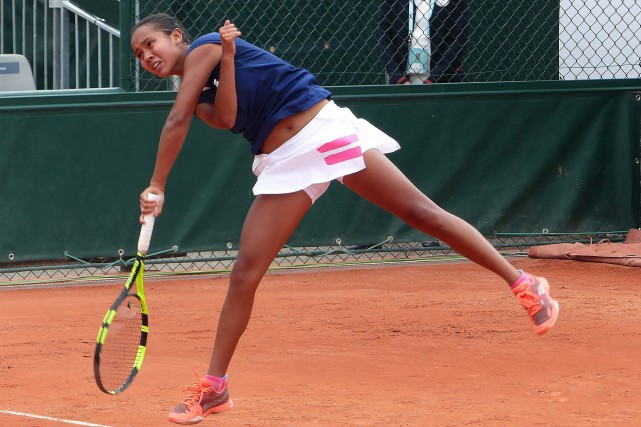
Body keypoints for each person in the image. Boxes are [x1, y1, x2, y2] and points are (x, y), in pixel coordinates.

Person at [131, 13, 559, 425]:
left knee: (420, 212)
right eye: (138, 54)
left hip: (322, 131)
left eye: (150, 43)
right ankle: (215, 388)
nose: (146, 56)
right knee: (244, 272)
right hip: (282, 160)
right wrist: (229, 59)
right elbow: (224, 117)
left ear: (177, 36)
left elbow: (178, 119)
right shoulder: (207, 74)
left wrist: (157, 184)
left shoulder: (205, 46)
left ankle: (523, 283)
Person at [425, 0, 469, 83]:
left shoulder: (458, 3)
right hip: (403, 74)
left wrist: (434, 78)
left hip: (444, 77)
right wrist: (400, 78)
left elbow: (459, 40)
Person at [379, 0, 412, 84]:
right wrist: (399, 78)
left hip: (439, 77)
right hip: (404, 79)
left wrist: (435, 78)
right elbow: (384, 38)